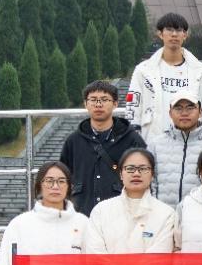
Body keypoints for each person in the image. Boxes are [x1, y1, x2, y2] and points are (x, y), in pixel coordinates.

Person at [59, 81, 146, 216]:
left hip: (120, 214)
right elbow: (63, 177)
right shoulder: (73, 141)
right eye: (93, 100)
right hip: (82, 214)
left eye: (104, 100)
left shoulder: (132, 140)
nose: (98, 104)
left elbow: (144, 177)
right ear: (85, 104)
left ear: (115, 104)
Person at [126, 13, 202, 142]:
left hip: (192, 142)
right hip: (152, 141)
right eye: (169, 29)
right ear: (160, 34)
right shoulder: (143, 70)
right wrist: (135, 142)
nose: (174, 34)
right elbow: (133, 107)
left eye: (178, 30)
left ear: (185, 35)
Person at [145, 88, 202, 207]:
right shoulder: (155, 145)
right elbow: (149, 183)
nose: (184, 113)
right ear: (170, 113)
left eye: (190, 108)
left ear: (200, 112)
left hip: (201, 215)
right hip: (163, 215)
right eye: (178, 108)